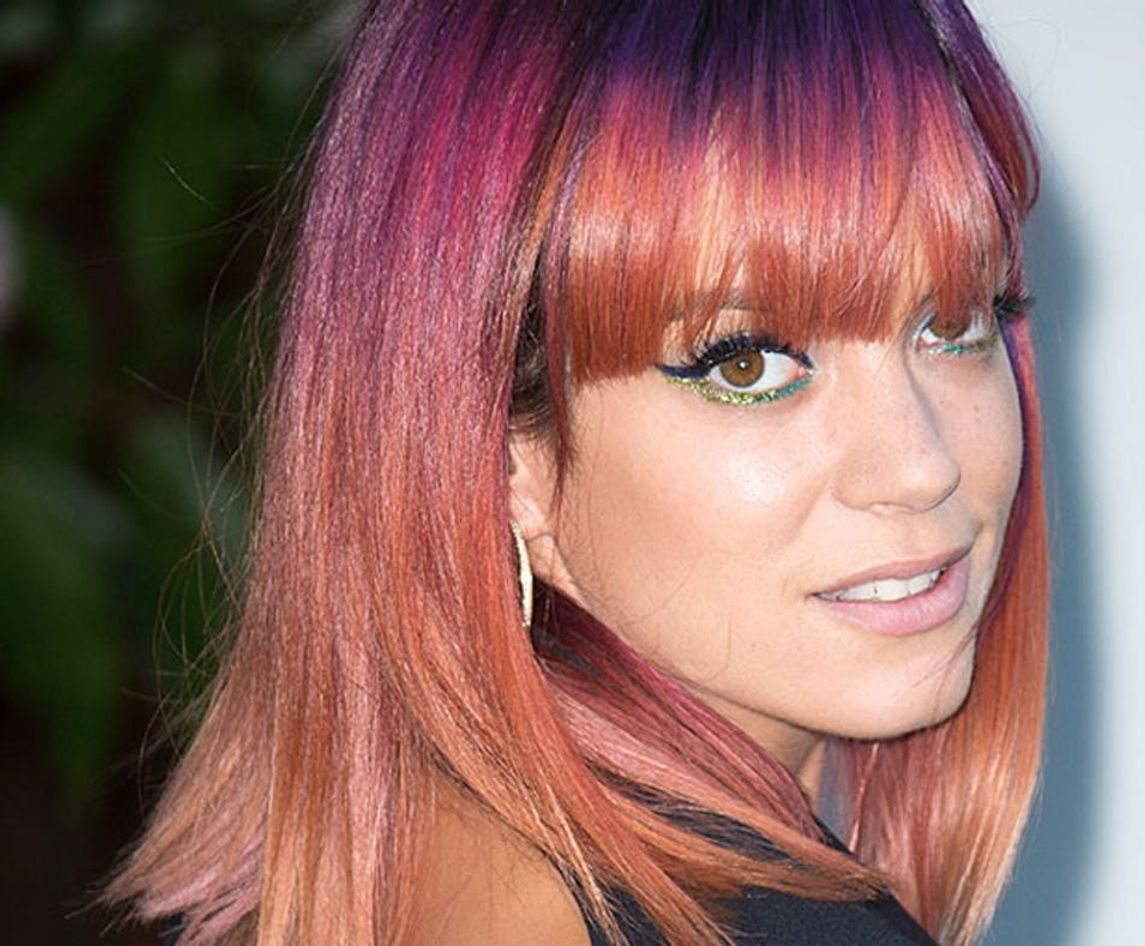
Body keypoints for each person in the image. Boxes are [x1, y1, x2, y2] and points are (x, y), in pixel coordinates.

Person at [107, 1, 1049, 943]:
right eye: (748, 364)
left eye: (955, 322)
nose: (920, 466)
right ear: (498, 456)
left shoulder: (362, 885)